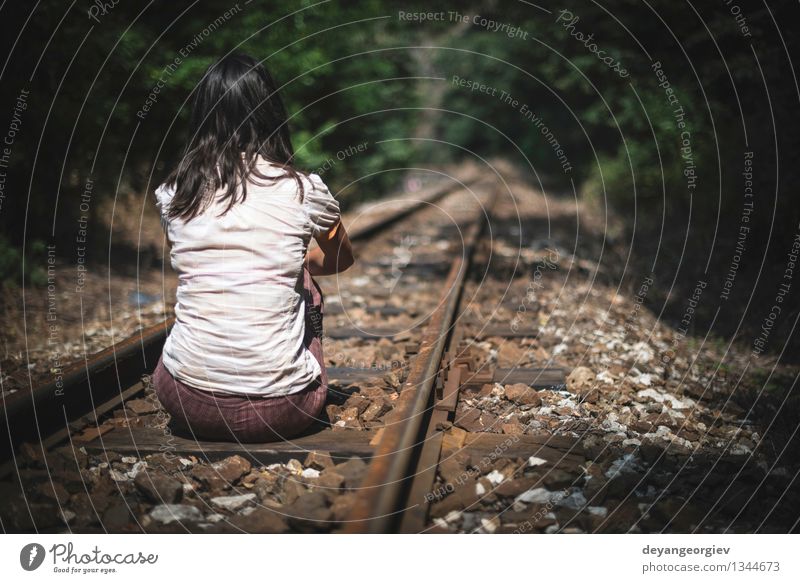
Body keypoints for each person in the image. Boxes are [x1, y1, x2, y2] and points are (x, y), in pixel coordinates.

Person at [151, 53, 354, 443]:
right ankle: (277, 373)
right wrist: (296, 265)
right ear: (270, 112)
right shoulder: (303, 189)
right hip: (282, 411)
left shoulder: (174, 194)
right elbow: (341, 258)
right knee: (304, 283)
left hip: (184, 402)